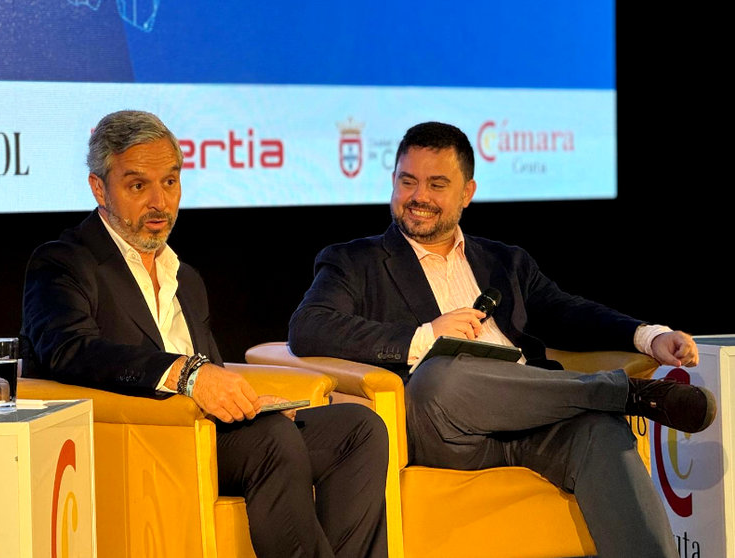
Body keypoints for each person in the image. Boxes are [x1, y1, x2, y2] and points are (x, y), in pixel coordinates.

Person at [287, 121, 716, 558]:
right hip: (447, 430)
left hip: (536, 418)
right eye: (408, 181)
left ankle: (611, 402)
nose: (419, 197)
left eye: (437, 184)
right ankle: (623, 393)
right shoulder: (355, 260)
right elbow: (309, 327)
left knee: (599, 429)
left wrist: (648, 336)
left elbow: (567, 311)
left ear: (467, 193)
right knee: (440, 377)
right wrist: (424, 335)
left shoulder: (504, 262)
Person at [20, 110, 388, 558]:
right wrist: (184, 375)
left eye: (170, 182)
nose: (160, 202)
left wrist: (255, 402)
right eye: (138, 186)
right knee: (273, 441)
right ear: (100, 188)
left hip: (210, 433)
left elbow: (211, 369)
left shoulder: (185, 277)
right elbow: (69, 351)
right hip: (141, 437)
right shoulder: (63, 262)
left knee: (359, 428)